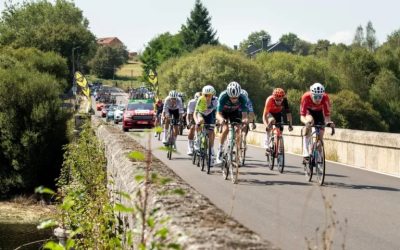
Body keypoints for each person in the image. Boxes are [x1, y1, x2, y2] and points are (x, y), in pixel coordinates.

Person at [300, 82, 335, 163]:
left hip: (319, 113)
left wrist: (329, 123)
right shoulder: (305, 97)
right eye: (316, 97)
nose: (318, 99)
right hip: (309, 113)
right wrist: (306, 122)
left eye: (320, 97)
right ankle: (306, 154)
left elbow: (327, 117)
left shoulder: (325, 98)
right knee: (310, 122)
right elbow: (302, 116)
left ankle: (318, 155)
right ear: (311, 95)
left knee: (320, 139)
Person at [215, 81, 248, 164]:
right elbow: (218, 114)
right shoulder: (223, 96)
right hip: (224, 112)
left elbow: (244, 114)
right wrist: (221, 119)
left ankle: (236, 151)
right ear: (228, 95)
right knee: (225, 129)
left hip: (234, 112)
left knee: (238, 130)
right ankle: (220, 150)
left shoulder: (243, 97)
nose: (234, 99)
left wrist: (245, 119)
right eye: (232, 98)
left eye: (236, 97)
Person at [263, 88, 293, 153]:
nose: (279, 102)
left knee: (281, 129)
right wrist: (266, 125)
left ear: (283, 98)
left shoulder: (285, 100)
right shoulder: (270, 100)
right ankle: (267, 144)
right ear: (274, 98)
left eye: (280, 100)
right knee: (272, 121)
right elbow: (264, 115)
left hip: (278, 114)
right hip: (269, 113)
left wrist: (290, 124)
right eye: (276, 100)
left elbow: (288, 114)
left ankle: (278, 145)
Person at [194, 85, 218, 164]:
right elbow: (195, 113)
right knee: (200, 121)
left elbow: (218, 112)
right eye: (205, 95)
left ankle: (210, 149)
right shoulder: (200, 99)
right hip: (201, 114)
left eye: (209, 95)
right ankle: (197, 140)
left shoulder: (215, 100)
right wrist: (197, 121)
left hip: (210, 115)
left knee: (211, 132)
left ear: (212, 95)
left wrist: (218, 121)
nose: (207, 97)